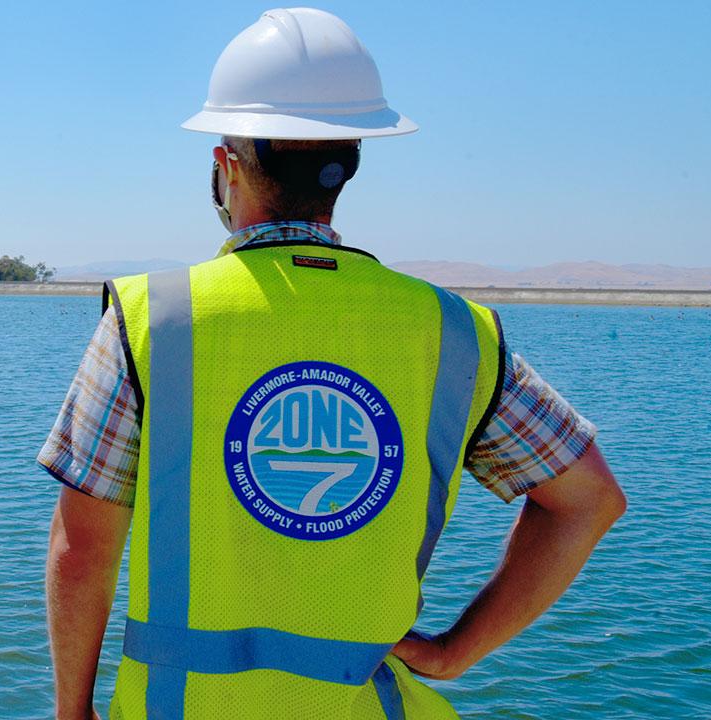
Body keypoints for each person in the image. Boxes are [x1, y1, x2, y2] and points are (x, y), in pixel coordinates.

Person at [37, 9, 626, 719]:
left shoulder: (150, 318)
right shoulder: (454, 332)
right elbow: (590, 501)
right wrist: (454, 651)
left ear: (225, 169)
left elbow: (82, 549)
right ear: (347, 164)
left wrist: (73, 710)